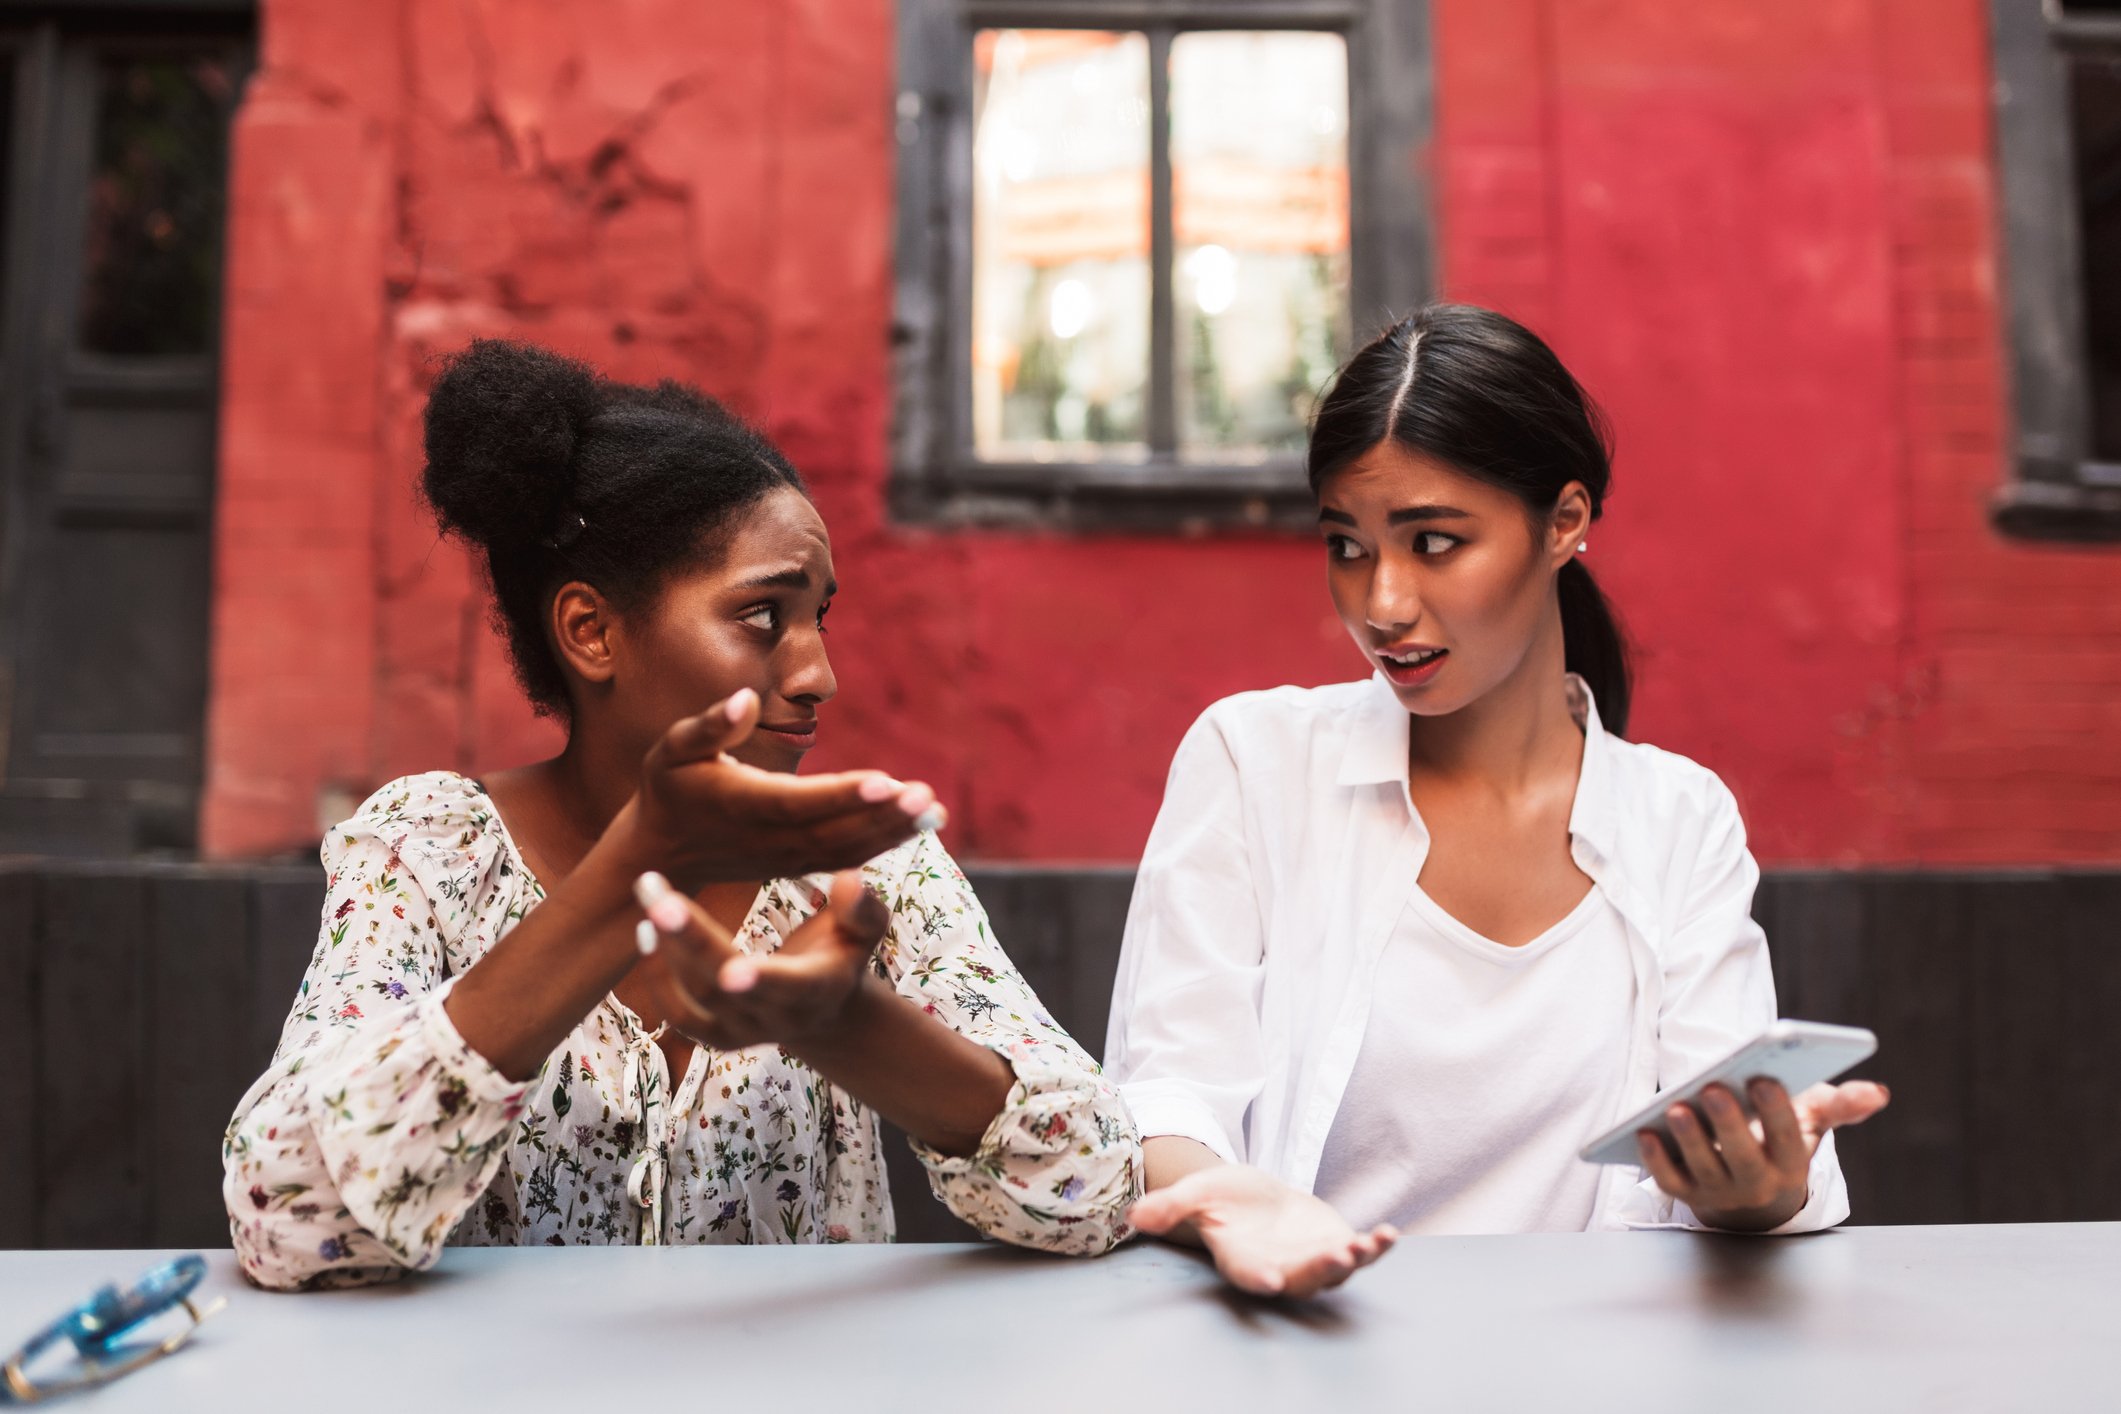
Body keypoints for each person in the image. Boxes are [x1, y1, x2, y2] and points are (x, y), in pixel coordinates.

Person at [223, 341, 1139, 1289]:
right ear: (591, 631)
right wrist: (632, 871)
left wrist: (841, 1023)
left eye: (818, 617)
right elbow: (289, 1214)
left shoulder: (868, 866)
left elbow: (1099, 1183)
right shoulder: (426, 855)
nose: (818, 673)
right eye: (761, 617)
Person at [1105, 305, 1889, 1298]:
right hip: (1310, 1350)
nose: (1382, 602)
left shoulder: (1679, 819)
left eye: (1433, 542)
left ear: (1565, 521)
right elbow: (1170, 1089)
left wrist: (1757, 1187)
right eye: (1348, 545)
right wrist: (1227, 1198)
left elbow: (1727, 1137)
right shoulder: (1255, 762)